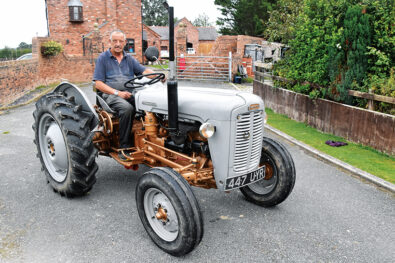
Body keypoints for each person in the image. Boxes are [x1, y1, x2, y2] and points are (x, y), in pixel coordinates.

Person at [93, 29, 164, 160]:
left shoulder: (129, 59)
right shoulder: (103, 58)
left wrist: (158, 76)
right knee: (127, 109)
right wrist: (117, 93)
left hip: (128, 93)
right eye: (115, 41)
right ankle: (124, 147)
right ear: (110, 42)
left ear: (125, 42)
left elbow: (143, 71)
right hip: (110, 95)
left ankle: (152, 139)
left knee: (149, 104)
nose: (118, 44)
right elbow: (98, 84)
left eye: (120, 41)